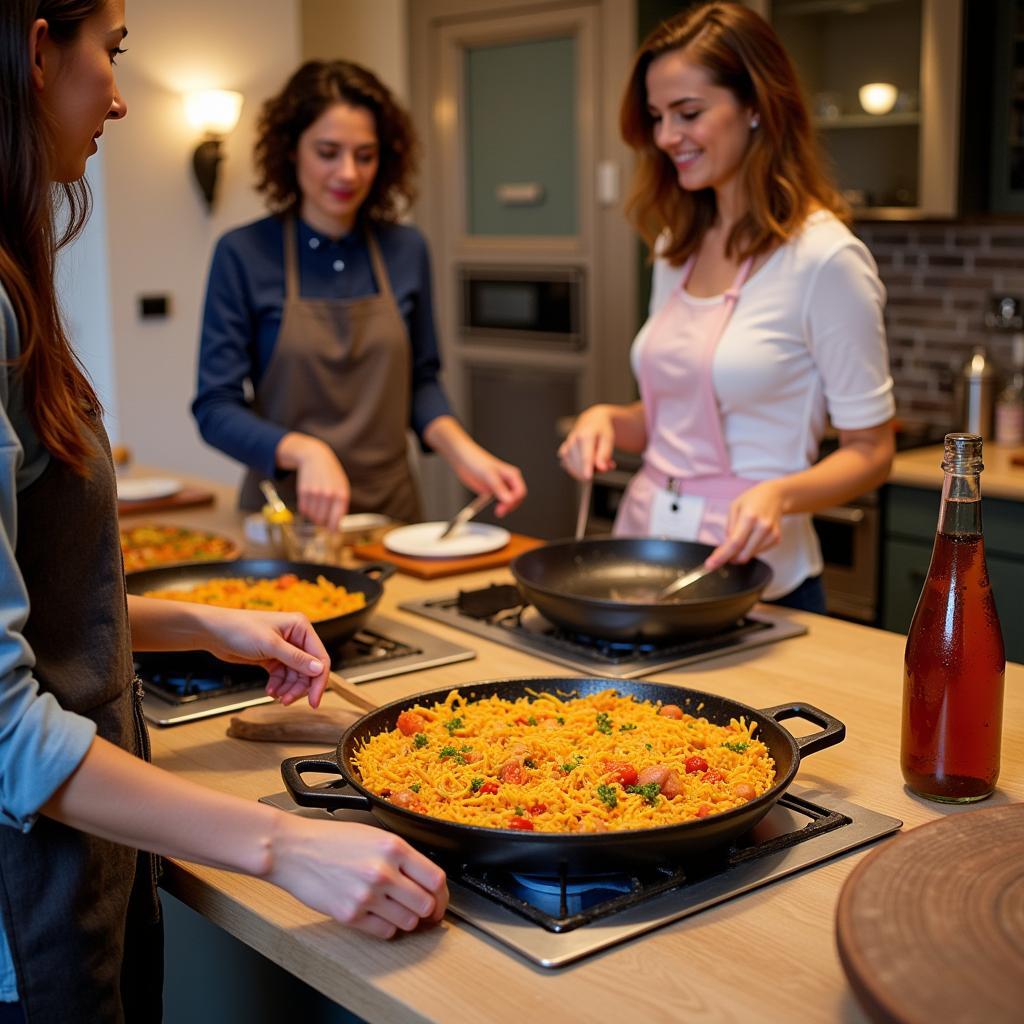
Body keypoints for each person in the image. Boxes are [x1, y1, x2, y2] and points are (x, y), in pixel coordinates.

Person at [0, 3, 447, 1020]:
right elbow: (3, 727)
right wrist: (281, 843)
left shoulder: (19, 286)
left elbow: (51, 592)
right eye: (110, 54)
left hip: (97, 844)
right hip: (30, 883)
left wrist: (205, 621)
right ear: (35, 51)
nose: (119, 96)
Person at [558, 2, 895, 612]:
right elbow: (676, 418)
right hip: (647, 563)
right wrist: (609, 417)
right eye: (658, 117)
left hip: (761, 583)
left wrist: (782, 496)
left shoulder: (825, 259)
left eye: (688, 113)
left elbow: (871, 452)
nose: (665, 137)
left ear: (757, 107)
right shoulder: (675, 246)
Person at [192, 60, 527, 530]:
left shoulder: (406, 249)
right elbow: (215, 407)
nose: (347, 173)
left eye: (364, 155)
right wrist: (303, 451)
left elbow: (421, 381)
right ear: (291, 150)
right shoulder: (244, 253)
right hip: (287, 520)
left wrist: (464, 452)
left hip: (391, 517)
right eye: (328, 152)